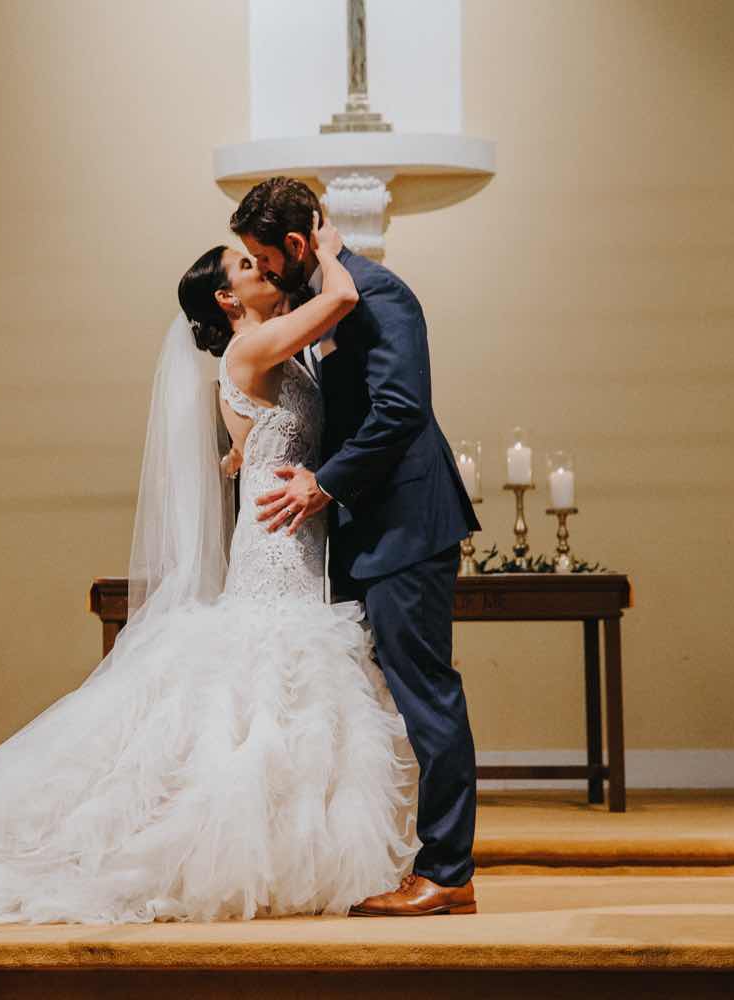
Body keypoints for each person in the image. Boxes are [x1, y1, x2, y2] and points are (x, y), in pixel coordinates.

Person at [0, 214, 422, 926]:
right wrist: (325, 248)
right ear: (228, 302)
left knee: (278, 690)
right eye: (250, 268)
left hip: (292, 530)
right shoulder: (253, 346)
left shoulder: (266, 353)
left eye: (262, 262)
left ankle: (287, 851)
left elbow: (265, 434)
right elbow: (344, 299)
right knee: (275, 680)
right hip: (279, 545)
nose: (265, 271)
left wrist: (246, 456)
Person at [230, 177, 481, 917]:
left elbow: (402, 408)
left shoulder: (381, 294)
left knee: (426, 696)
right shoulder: (323, 297)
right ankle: (398, 858)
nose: (262, 272)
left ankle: (449, 871)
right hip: (366, 532)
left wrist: (322, 486)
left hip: (407, 525)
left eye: (263, 258)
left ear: (297, 246)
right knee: (385, 701)